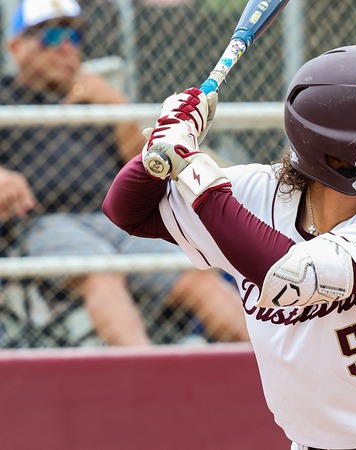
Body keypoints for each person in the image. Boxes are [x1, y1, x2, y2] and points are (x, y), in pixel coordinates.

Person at [104, 44, 356, 449]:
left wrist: (198, 179)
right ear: (338, 155)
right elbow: (128, 211)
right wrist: (161, 146)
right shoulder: (257, 193)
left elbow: (289, 274)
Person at [0, 0, 248, 346]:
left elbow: (146, 165)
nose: (67, 46)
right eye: (51, 35)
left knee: (195, 276)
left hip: (116, 219)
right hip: (47, 222)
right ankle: (147, 386)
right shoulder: (5, 97)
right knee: (102, 272)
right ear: (16, 47)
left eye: (74, 34)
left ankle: (264, 379)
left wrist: (115, 104)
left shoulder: (96, 98)